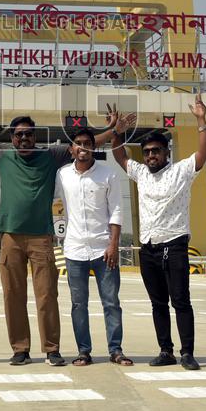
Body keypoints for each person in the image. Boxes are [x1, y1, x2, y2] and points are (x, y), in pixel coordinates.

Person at [0, 83, 118, 367]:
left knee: (47, 295)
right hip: (9, 236)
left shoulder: (51, 155)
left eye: (28, 134)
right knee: (13, 295)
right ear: (12, 137)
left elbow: (84, 146)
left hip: (41, 238)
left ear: (34, 136)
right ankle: (20, 348)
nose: (23, 138)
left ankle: (52, 349)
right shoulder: (1, 154)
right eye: (19, 134)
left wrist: (113, 130)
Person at [112, 93, 206, 371]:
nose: (151, 156)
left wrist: (202, 121)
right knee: (158, 303)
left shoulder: (181, 171)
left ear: (167, 152)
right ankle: (165, 350)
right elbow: (119, 156)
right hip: (149, 248)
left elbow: (203, 153)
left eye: (156, 151)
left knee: (181, 301)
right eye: (147, 152)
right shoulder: (141, 173)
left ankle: (187, 353)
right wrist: (117, 133)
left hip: (175, 245)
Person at [54, 127, 132, 367]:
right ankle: (83, 351)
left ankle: (115, 350)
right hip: (74, 250)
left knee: (111, 302)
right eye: (78, 143)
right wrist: (59, 237)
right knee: (79, 304)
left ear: (94, 147)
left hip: (103, 249)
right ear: (71, 149)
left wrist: (114, 244)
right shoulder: (62, 175)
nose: (83, 147)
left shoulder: (108, 175)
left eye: (87, 143)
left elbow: (117, 209)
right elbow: (57, 206)